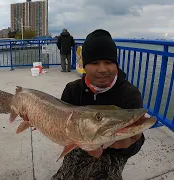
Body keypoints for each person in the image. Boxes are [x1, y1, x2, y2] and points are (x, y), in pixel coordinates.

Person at [51, 29, 145, 180]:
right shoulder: (72, 90)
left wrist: (124, 145)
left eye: (108, 62)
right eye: (94, 63)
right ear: (84, 65)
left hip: (113, 153)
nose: (102, 69)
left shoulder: (130, 94)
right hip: (79, 145)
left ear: (116, 64)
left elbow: (137, 141)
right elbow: (63, 128)